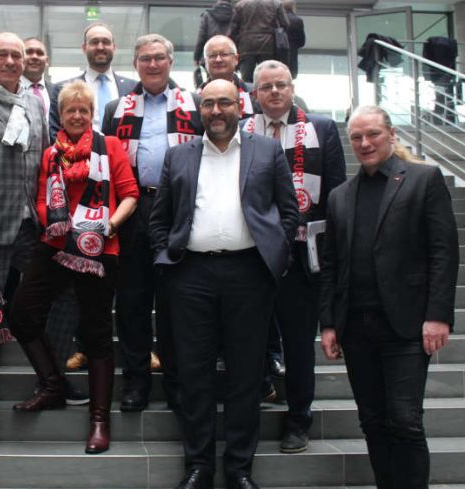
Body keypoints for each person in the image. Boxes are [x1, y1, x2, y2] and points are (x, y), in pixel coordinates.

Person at [150, 79, 298, 489]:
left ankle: (239, 470)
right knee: (193, 375)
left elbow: (288, 211)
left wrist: (275, 256)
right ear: (199, 109)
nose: (216, 111)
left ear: (240, 106)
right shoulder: (178, 155)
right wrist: (168, 259)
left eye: (224, 103)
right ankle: (198, 467)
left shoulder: (266, 151)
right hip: (190, 276)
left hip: (249, 276)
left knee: (246, 375)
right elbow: (160, 218)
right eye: (208, 104)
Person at [0, 31, 81, 453]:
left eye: (17, 55)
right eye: (2, 54)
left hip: (32, 226)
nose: (11, 60)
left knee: (66, 297)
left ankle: (52, 378)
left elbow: (44, 156)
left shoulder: (35, 99)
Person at [320, 105, 459, 489]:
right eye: (357, 138)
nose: (365, 143)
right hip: (356, 328)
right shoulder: (340, 197)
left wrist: (438, 315)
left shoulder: (423, 179)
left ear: (391, 134)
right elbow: (331, 266)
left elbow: (444, 252)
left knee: (405, 421)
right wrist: (329, 323)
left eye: (373, 135)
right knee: (372, 421)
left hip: (406, 324)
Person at [9, 80, 138, 455]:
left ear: (92, 114)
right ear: (60, 115)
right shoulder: (52, 154)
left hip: (100, 248)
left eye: (84, 110)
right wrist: (61, 228)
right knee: (20, 314)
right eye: (70, 111)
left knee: (96, 332)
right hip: (54, 246)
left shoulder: (109, 146)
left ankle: (100, 419)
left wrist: (107, 226)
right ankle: (52, 385)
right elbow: (39, 199)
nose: (77, 116)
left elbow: (129, 193)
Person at [242, 59, 346, 453]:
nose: (273, 92)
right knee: (249, 338)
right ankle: (250, 408)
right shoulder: (241, 130)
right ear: (254, 93)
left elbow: (336, 193)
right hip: (251, 255)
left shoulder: (320, 128)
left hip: (303, 255)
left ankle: (299, 419)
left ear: (292, 87)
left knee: (300, 343)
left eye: (280, 85)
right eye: (265, 87)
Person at [102, 33, 203, 413]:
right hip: (133, 209)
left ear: (170, 61)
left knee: (176, 301)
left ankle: (177, 384)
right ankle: (135, 383)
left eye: (159, 57)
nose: (153, 64)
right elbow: (107, 161)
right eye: (145, 59)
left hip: (180, 209)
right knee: (132, 302)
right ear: (135, 65)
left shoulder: (193, 104)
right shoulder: (117, 107)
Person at [48, 23, 137, 140]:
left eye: (106, 42)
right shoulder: (63, 89)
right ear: (84, 48)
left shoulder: (133, 88)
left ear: (114, 47)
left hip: (122, 156)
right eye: (94, 42)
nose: (100, 47)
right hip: (78, 157)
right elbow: (56, 135)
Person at [229, 0, 289, 83]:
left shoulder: (240, 5)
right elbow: (285, 24)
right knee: (268, 77)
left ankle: (249, 95)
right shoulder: (276, 3)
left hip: (246, 46)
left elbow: (233, 29)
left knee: (247, 79)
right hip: (268, 45)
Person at [201, 35, 256, 118]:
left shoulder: (254, 95)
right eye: (212, 55)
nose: (218, 60)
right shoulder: (196, 98)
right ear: (205, 62)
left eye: (224, 54)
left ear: (236, 59)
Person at [193, 0, 234, 67]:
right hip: (229, 57)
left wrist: (196, 57)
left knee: (212, 76)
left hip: (211, 56)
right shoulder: (235, 15)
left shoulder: (207, 15)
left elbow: (201, 37)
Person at [21, 37, 52, 123]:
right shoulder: (10, 90)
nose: (35, 57)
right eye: (29, 52)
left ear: (46, 61)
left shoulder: (57, 92)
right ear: (20, 57)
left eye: (39, 53)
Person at [281, 0, 305, 79]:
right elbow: (302, 42)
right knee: (290, 77)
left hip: (278, 53)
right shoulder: (298, 20)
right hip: (292, 53)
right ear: (293, 7)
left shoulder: (277, 20)